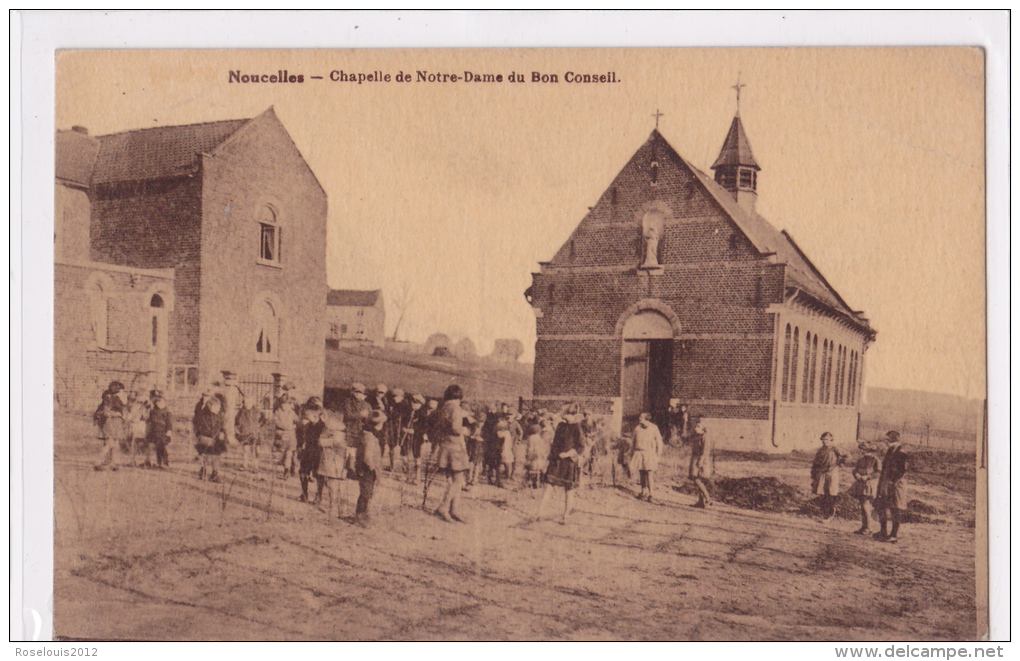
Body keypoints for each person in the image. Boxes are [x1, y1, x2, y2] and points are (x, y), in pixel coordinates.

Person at [535, 406, 586, 524]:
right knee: (548, 487)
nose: (564, 416)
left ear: (573, 414)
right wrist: (551, 458)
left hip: (569, 463)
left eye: (566, 414)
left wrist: (568, 454)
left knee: (569, 490)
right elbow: (555, 443)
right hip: (557, 461)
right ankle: (539, 512)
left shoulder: (577, 427)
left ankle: (566, 516)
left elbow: (581, 446)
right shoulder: (560, 426)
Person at [434, 385, 471, 523]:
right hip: (455, 447)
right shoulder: (455, 409)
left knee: (453, 479)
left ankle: (454, 509)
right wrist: (465, 431)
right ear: (458, 397)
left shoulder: (443, 408)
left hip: (446, 445)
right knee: (458, 481)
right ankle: (444, 507)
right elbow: (455, 428)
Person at [875, 431, 909, 543]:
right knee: (882, 505)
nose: (885, 442)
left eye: (887, 439)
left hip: (896, 484)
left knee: (895, 508)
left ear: (892, 440)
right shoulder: (890, 450)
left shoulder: (901, 453)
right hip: (885, 483)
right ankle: (883, 532)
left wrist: (893, 482)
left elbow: (902, 470)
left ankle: (893, 535)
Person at [355, 409, 386, 528]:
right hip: (367, 470)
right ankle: (360, 517)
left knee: (368, 492)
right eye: (381, 424)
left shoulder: (369, 435)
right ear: (377, 425)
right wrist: (373, 468)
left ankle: (363, 514)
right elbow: (367, 456)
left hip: (368, 469)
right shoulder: (368, 437)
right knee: (365, 493)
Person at [316, 412, 348, 517]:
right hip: (333, 463)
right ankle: (338, 508)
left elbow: (321, 442)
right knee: (334, 486)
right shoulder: (335, 432)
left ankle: (335, 508)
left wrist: (324, 440)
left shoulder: (337, 434)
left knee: (333, 486)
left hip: (334, 463)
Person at [811, 432, 848, 521]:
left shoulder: (835, 449)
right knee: (822, 493)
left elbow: (848, 456)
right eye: (823, 439)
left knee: (831, 493)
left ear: (831, 440)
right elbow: (815, 463)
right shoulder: (820, 450)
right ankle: (825, 514)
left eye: (827, 439)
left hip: (832, 473)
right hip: (822, 473)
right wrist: (814, 475)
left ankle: (831, 514)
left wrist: (840, 462)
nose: (825, 441)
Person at [93, 381, 128, 471]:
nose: (122, 392)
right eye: (120, 390)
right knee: (109, 443)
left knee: (115, 444)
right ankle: (97, 462)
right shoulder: (109, 398)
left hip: (116, 423)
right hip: (110, 422)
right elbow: (106, 413)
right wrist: (117, 414)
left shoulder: (117, 399)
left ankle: (114, 463)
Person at [849, 441, 882, 535]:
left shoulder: (875, 460)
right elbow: (855, 469)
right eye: (861, 450)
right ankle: (864, 527)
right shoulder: (861, 460)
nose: (861, 451)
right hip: (860, 484)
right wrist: (856, 474)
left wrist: (867, 477)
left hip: (869, 484)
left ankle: (868, 528)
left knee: (865, 505)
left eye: (863, 449)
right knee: (863, 505)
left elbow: (878, 472)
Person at [630, 412, 663, 502]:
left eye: (641, 417)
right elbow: (633, 442)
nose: (639, 419)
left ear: (647, 419)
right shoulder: (637, 428)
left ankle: (651, 494)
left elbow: (659, 442)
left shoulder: (654, 428)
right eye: (639, 417)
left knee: (649, 473)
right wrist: (631, 454)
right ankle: (643, 491)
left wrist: (658, 455)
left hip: (649, 453)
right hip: (639, 453)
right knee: (641, 472)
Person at [297, 397, 325, 503]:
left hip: (317, 449)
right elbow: (299, 433)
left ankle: (319, 495)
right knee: (304, 472)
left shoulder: (322, 422)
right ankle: (305, 494)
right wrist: (299, 445)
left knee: (318, 473)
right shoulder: (305, 420)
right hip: (307, 449)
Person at [193, 394, 226, 482]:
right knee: (206, 456)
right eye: (216, 407)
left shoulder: (219, 416)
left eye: (219, 407)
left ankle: (215, 474)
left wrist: (222, 432)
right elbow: (197, 422)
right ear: (210, 406)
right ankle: (203, 470)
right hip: (205, 437)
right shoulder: (203, 415)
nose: (218, 409)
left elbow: (222, 426)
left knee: (216, 456)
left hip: (216, 438)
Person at [688, 418, 714, 508]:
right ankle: (701, 501)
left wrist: (701, 460)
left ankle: (707, 498)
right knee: (696, 478)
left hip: (701, 460)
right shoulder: (696, 436)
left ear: (703, 428)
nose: (696, 427)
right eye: (695, 425)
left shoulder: (705, 437)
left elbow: (705, 451)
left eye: (698, 426)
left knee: (697, 479)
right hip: (695, 458)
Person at [235, 394, 264, 474]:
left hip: (255, 433)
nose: (246, 404)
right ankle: (245, 465)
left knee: (255, 450)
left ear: (252, 402)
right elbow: (236, 421)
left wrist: (259, 426)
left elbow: (264, 419)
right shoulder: (241, 411)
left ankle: (255, 466)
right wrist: (239, 428)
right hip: (245, 433)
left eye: (248, 402)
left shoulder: (257, 411)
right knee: (245, 449)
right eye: (244, 402)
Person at [273, 392, 300, 479]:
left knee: (289, 453)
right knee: (282, 453)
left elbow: (297, 420)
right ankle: (284, 466)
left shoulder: (292, 413)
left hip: (291, 436)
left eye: (288, 404)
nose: (285, 406)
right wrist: (288, 427)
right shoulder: (278, 412)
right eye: (283, 404)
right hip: (282, 435)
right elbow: (276, 423)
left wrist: (296, 424)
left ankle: (287, 470)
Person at [145, 390, 173, 470]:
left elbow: (169, 423)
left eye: (160, 401)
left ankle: (165, 463)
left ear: (164, 402)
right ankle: (159, 463)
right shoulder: (153, 411)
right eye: (157, 401)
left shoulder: (167, 412)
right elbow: (150, 420)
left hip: (163, 432)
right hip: (154, 431)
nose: (158, 403)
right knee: (156, 447)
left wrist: (169, 431)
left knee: (162, 447)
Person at [125, 390, 151, 467]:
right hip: (135, 425)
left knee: (143, 442)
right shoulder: (133, 405)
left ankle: (147, 460)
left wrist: (143, 414)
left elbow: (146, 417)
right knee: (134, 443)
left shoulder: (145, 406)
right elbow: (129, 415)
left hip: (141, 425)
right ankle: (133, 460)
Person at [523, 422, 548, 489]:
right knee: (538, 469)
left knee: (532, 469)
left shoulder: (531, 438)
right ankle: (538, 483)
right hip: (539, 454)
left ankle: (530, 482)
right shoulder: (540, 438)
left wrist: (528, 454)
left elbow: (530, 447)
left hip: (533, 454)